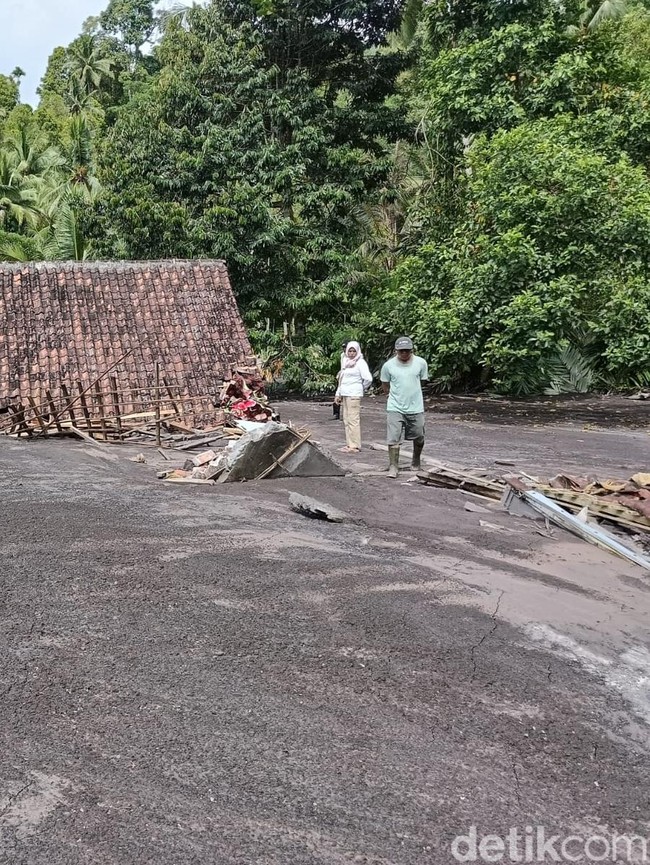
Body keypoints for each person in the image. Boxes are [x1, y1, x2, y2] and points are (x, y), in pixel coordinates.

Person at [380, 336, 429, 478]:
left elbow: (422, 381)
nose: (404, 354)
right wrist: (390, 395)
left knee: (419, 435)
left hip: (416, 406)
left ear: (411, 350)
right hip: (395, 406)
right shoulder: (388, 366)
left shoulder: (421, 363)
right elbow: (385, 383)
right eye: (401, 351)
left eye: (407, 351)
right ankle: (393, 466)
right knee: (393, 437)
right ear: (396, 351)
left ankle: (416, 459)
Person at [334, 341, 372, 453]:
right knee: (346, 419)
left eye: (353, 351)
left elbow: (368, 379)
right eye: (349, 351)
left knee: (353, 420)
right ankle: (349, 444)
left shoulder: (360, 363)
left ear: (357, 351)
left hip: (354, 394)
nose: (351, 353)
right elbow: (341, 379)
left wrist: (360, 388)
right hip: (345, 393)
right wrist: (338, 393)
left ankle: (355, 445)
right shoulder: (345, 362)